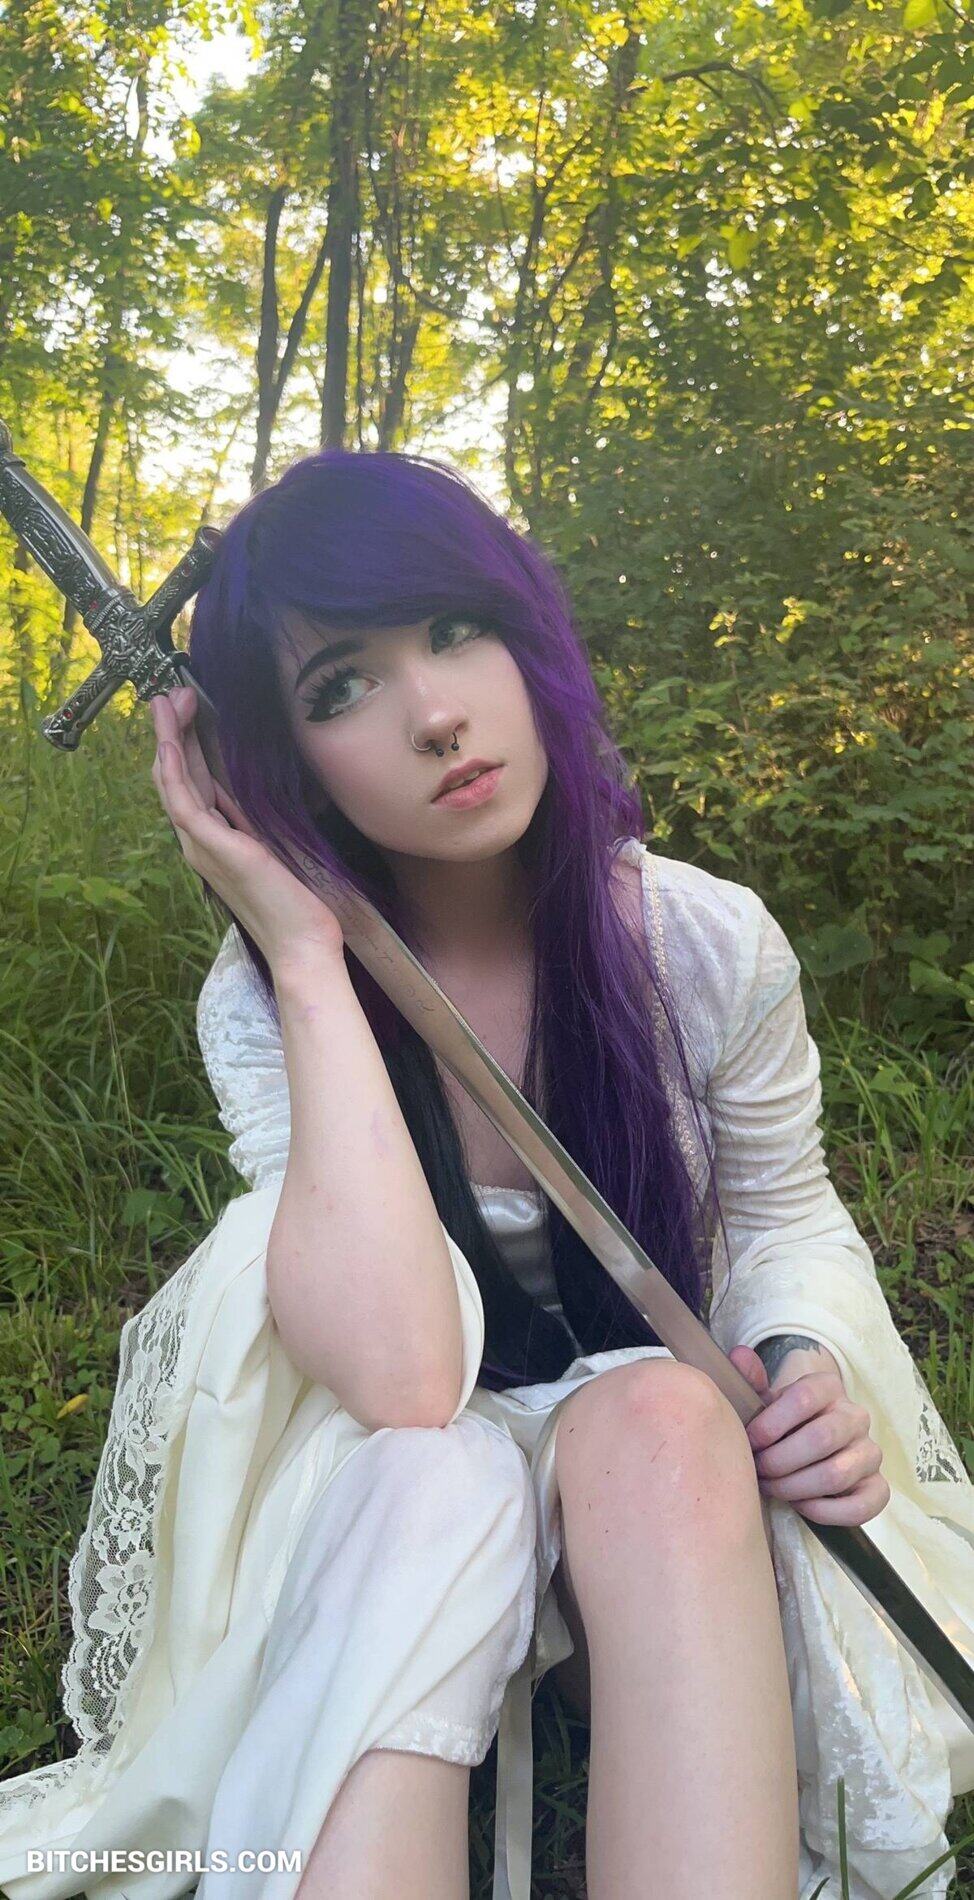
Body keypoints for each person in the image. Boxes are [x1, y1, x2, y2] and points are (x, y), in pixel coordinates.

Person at [0, 449, 971, 1900]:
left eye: (454, 630)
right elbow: (398, 1378)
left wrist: (799, 1352)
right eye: (341, 687)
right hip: (412, 1452)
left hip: (657, 1474)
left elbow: (786, 1217)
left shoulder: (701, 943)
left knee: (661, 1418)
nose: (434, 714)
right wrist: (307, 957)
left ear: (526, 634)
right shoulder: (265, 1004)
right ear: (281, 759)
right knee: (433, 1475)